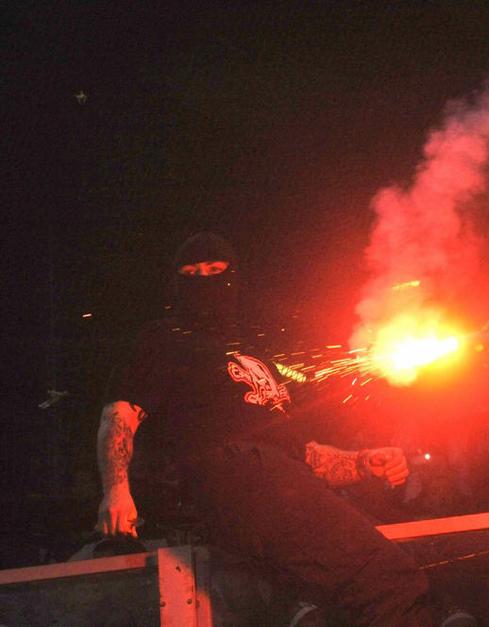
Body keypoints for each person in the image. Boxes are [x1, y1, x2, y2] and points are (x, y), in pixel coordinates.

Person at [95, 232, 435, 626]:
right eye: (192, 273)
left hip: (280, 482)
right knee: (391, 582)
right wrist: (116, 489)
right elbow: (119, 415)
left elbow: (300, 454)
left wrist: (362, 462)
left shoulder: (256, 353)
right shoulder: (165, 338)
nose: (205, 280)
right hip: (234, 476)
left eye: (216, 270)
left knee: (368, 589)